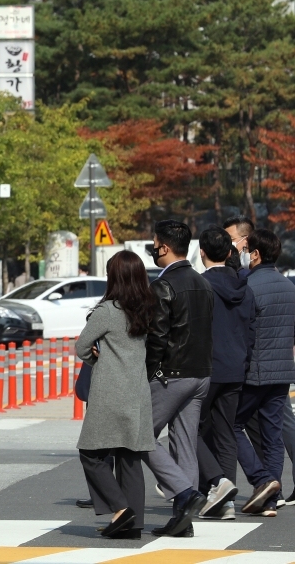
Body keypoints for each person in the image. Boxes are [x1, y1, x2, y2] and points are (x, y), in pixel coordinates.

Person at [74, 251, 157, 539]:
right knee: (129, 458)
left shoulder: (107, 310)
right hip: (138, 392)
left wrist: (97, 359)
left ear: (114, 277)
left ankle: (121, 510)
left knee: (90, 453)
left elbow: (82, 346)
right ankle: (132, 526)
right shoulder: (147, 308)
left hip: (111, 392)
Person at [141, 220, 212, 536]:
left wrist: (148, 374)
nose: (153, 248)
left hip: (171, 374)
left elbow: (157, 337)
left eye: (154, 243)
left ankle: (184, 493)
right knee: (184, 443)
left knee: (138, 434)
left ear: (164, 247)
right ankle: (183, 521)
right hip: (200, 374)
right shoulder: (202, 282)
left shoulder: (162, 286)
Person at [231, 228, 295, 517]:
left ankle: (263, 480)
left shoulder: (248, 286)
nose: (245, 256)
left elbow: (243, 332)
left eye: (247, 251)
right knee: (272, 436)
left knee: (230, 424)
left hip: (253, 371)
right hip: (282, 372)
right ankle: (271, 499)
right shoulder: (289, 287)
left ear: (255, 254)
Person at [195, 227, 255, 520]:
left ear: (202, 252)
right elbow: (251, 329)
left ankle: (217, 483)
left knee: (188, 428)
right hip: (236, 366)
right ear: (230, 253)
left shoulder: (200, 286)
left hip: (206, 367)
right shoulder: (244, 286)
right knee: (226, 432)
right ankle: (225, 503)